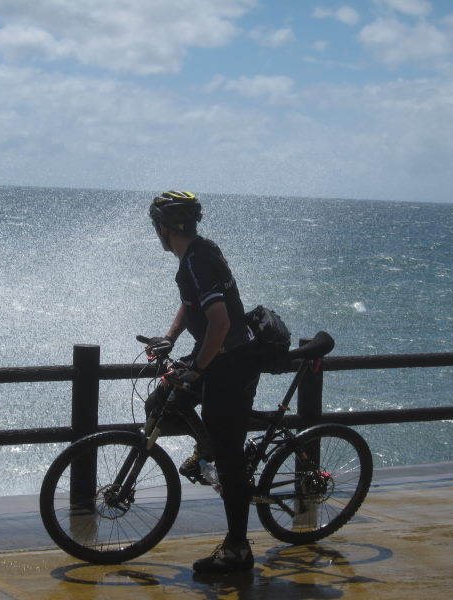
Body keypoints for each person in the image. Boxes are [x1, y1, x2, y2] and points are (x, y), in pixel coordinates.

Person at [147, 190, 261, 574]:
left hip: (232, 363)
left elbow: (221, 322)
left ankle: (237, 550)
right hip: (214, 355)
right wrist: (172, 337)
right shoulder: (196, 254)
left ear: (163, 228)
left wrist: (195, 369)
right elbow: (191, 302)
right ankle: (208, 447)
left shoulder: (198, 259)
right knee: (161, 403)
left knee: (229, 461)